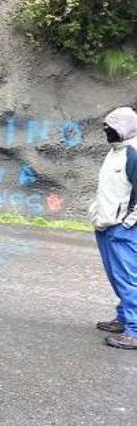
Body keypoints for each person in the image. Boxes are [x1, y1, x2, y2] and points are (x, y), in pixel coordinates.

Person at [89, 106, 137, 350]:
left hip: (123, 229)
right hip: (106, 224)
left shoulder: (134, 153)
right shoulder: (115, 151)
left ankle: (135, 330)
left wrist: (128, 222)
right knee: (117, 276)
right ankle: (124, 317)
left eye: (111, 128)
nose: (106, 131)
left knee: (129, 279)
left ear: (125, 128)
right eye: (106, 127)